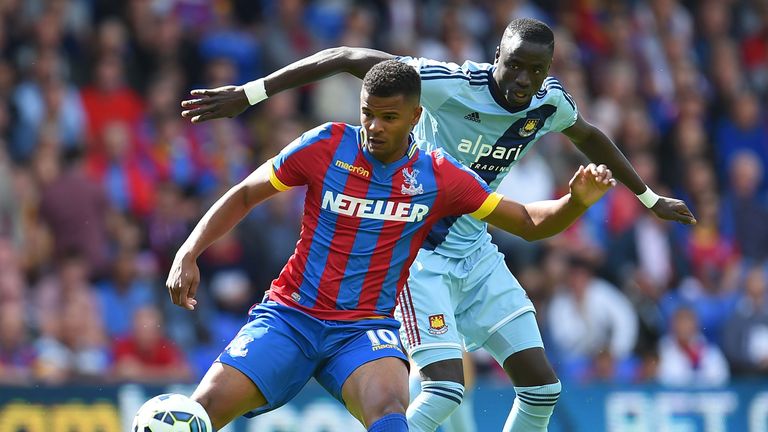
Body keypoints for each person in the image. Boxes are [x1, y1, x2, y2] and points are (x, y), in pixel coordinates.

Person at [178, 18, 671, 432]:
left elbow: (534, 212)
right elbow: (345, 60)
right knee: (200, 414)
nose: (374, 127)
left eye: (535, 70)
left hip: (409, 296)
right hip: (345, 289)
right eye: (369, 115)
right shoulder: (346, 135)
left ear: (414, 117)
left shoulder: (444, 175)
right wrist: (251, 94)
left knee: (532, 390)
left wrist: (609, 199)